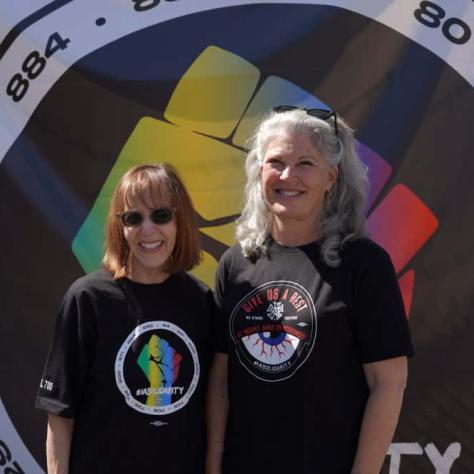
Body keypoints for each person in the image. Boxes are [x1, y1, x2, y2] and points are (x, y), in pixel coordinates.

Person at [206, 107, 414, 474]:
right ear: (259, 172)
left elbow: (388, 383)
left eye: (305, 163)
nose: (289, 176)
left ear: (331, 177)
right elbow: (220, 384)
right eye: (276, 162)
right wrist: (213, 464)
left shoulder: (364, 264)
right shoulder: (235, 264)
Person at [36, 163, 214, 474]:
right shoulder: (87, 299)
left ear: (180, 220)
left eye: (160, 215)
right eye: (134, 218)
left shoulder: (201, 301)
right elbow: (59, 413)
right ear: (121, 227)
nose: (148, 229)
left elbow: (214, 406)